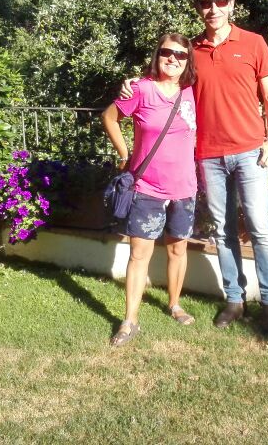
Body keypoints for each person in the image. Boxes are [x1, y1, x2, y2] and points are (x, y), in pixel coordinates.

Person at [121, 0, 268, 332]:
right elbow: (165, 78)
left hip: (251, 151)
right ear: (198, 8)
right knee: (223, 231)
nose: (214, 9)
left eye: (220, 1)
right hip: (208, 155)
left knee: (260, 227)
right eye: (206, 3)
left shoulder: (253, 43)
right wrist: (133, 83)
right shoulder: (191, 50)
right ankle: (234, 301)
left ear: (232, 4)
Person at [102, 33, 199, 347]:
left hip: (184, 187)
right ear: (157, 55)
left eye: (181, 55)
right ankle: (129, 320)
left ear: (188, 61)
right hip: (147, 188)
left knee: (177, 250)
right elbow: (110, 117)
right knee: (139, 255)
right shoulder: (141, 89)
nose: (173, 59)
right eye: (167, 52)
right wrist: (123, 154)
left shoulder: (193, 92)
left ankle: (174, 304)